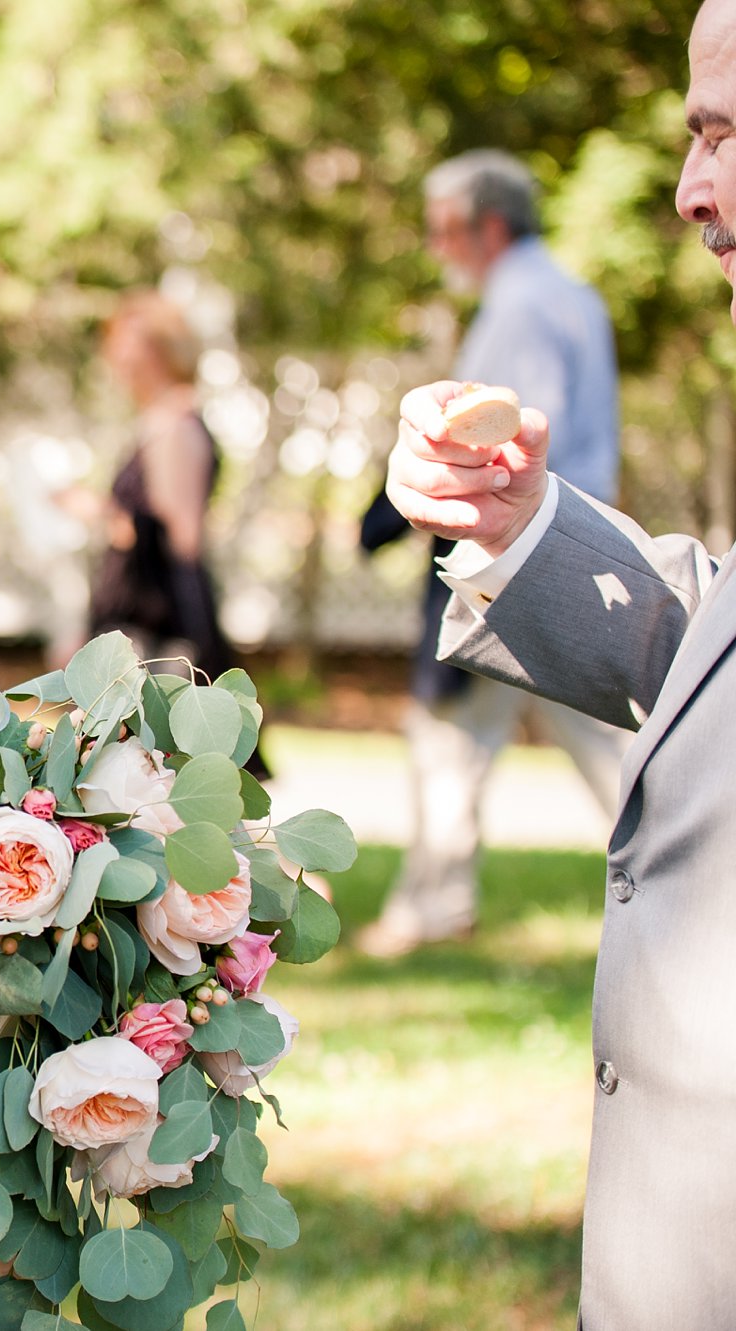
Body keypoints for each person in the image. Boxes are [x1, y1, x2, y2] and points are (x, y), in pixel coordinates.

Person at [385, 4, 736, 1320]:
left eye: (722, 135)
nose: (691, 189)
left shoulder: (525, 301)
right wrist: (519, 527)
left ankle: (438, 892)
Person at [358, 150, 630, 957]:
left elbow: (493, 442)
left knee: (451, 734)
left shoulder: (520, 307)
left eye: (446, 230)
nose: (437, 248)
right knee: (602, 734)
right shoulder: (574, 295)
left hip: (515, 551)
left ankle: (433, 905)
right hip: (576, 537)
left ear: (490, 225)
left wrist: (393, 517)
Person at [81, 291, 265, 774]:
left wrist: (102, 514)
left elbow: (179, 536)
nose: (115, 359)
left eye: (126, 346)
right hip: (148, 611)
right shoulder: (162, 420)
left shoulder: (174, 425)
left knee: (153, 764)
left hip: (157, 623)